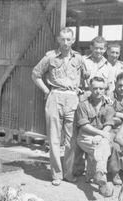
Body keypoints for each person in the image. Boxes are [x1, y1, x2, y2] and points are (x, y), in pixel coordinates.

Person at [31, 27, 86, 186]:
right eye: (63, 39)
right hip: (55, 97)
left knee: (71, 140)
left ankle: (68, 173)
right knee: (54, 138)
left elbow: (85, 77)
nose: (66, 42)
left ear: (73, 40)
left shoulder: (79, 59)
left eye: (69, 39)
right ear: (58, 39)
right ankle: (56, 174)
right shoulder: (50, 57)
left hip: (72, 99)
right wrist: (46, 90)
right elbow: (35, 74)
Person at [75, 76, 116, 197]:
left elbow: (109, 124)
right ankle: (100, 177)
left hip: (100, 137)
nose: (98, 91)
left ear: (105, 89)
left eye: (101, 88)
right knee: (103, 145)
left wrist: (102, 135)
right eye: (95, 88)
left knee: (101, 145)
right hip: (85, 136)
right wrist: (102, 134)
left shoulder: (108, 106)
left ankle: (100, 175)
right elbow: (84, 126)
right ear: (90, 89)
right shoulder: (83, 105)